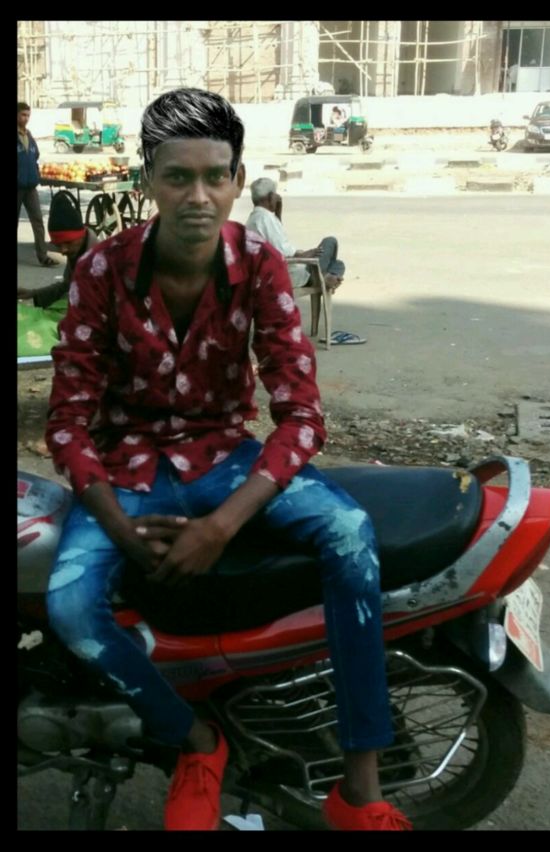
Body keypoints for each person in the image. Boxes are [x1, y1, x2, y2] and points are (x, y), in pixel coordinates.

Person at [44, 87, 411, 832]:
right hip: (128, 471)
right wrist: (116, 526)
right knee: (70, 607)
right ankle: (194, 741)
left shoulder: (261, 265)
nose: (198, 196)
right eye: (178, 177)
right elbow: (68, 419)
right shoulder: (102, 269)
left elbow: (301, 414)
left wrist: (223, 525)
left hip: (226, 458)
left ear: (239, 181)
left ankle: (360, 789)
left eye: (216, 176)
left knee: (349, 534)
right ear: (148, 181)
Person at [246, 177, 345, 292]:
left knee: (338, 264)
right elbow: (283, 255)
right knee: (330, 241)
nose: (277, 197)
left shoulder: (256, 217)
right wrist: (304, 255)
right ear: (270, 196)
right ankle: (322, 278)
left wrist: (278, 211)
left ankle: (325, 277)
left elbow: (277, 238)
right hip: (290, 273)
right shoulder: (265, 219)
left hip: (276, 270)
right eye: (275, 194)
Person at [17, 191, 99, 307]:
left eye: (68, 243)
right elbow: (67, 285)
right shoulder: (78, 249)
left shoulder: (100, 259)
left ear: (81, 235)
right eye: (58, 245)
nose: (63, 250)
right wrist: (34, 294)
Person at [18, 102, 59, 268]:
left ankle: (43, 256)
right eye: (23, 115)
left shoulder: (29, 135)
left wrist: (35, 173)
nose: (26, 118)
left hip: (30, 186)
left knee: (38, 221)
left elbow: (35, 155)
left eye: (28, 115)